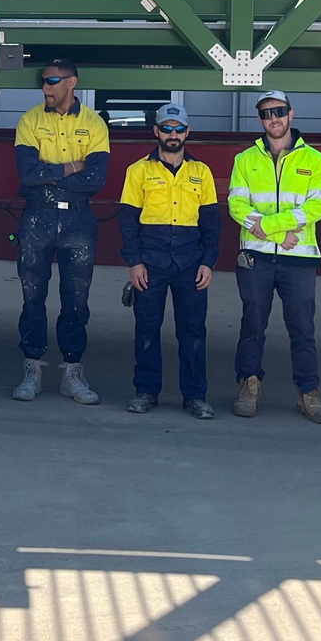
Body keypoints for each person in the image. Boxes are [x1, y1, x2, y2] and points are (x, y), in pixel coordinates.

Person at [228, 91, 321, 423]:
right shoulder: (244, 160)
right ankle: (248, 387)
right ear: (260, 120)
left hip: (298, 259)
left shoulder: (315, 160)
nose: (274, 118)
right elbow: (236, 206)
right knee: (252, 325)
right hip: (255, 259)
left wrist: (270, 226)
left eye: (279, 111)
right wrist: (278, 233)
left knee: (303, 329)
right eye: (266, 113)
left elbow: (317, 207)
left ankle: (309, 394)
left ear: (291, 114)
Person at [10, 59, 110, 405]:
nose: (45, 87)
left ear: (72, 82)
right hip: (37, 216)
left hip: (79, 220)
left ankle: (72, 371)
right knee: (32, 296)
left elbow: (97, 178)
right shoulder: (30, 120)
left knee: (76, 299)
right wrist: (71, 166)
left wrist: (50, 171)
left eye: (52, 80)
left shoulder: (94, 123)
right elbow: (26, 173)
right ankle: (32, 368)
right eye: (43, 81)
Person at [118, 103, 220, 419]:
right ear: (156, 131)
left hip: (191, 263)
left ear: (187, 132)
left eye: (178, 129)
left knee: (193, 330)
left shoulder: (201, 173)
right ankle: (146, 391)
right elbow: (127, 221)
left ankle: (195, 396)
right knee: (147, 328)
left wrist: (209, 262)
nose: (172, 134)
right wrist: (134, 262)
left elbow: (212, 223)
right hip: (151, 261)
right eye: (166, 128)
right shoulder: (138, 171)